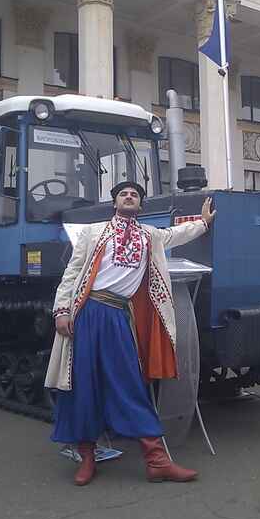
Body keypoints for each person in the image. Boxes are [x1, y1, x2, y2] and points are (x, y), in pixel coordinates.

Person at [44, 181, 216, 485]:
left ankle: (157, 461)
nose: (128, 196)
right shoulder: (92, 232)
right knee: (83, 384)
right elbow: (72, 273)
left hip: (119, 316)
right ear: (115, 203)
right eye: (123, 193)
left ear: (140, 205)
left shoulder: (150, 236)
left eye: (134, 195)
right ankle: (87, 457)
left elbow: (178, 234)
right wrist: (61, 311)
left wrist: (202, 222)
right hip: (88, 312)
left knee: (130, 384)